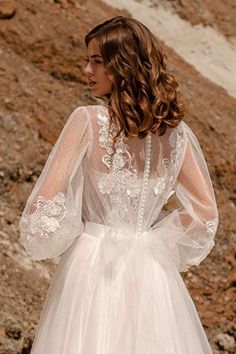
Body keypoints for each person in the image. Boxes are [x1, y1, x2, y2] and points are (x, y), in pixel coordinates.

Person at [19, 16, 219, 354]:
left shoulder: (87, 120)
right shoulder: (175, 134)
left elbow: (46, 201)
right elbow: (205, 212)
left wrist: (71, 235)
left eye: (97, 61)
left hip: (93, 262)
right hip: (153, 271)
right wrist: (155, 242)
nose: (86, 70)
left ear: (123, 64)